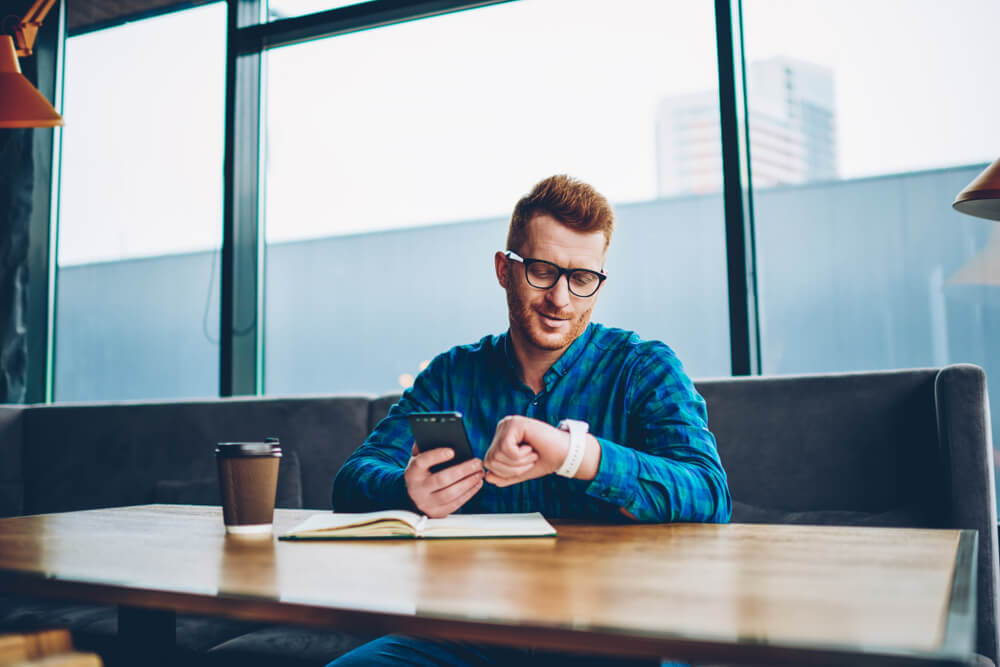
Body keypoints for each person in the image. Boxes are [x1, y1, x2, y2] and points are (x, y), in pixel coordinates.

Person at [328, 175, 731, 666]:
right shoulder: (450, 375)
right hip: (467, 633)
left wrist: (575, 455)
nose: (561, 299)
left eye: (582, 278)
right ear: (504, 269)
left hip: (617, 639)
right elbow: (350, 482)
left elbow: (710, 495)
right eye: (542, 271)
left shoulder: (644, 368)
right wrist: (405, 491)